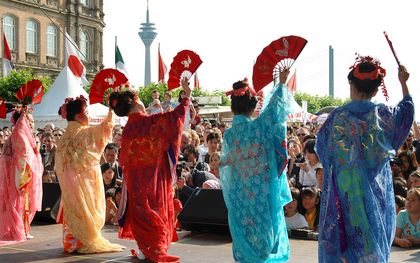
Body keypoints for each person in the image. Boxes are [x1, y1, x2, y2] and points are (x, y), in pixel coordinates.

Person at [316, 56, 415, 262]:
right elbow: (406, 113)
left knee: (343, 245)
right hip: (374, 191)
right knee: (371, 246)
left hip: (343, 192)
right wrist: (404, 83)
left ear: (351, 84)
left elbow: (322, 150)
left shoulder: (336, 117)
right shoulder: (383, 115)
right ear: (376, 89)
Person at [108, 78, 191, 262]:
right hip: (153, 178)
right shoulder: (147, 122)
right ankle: (155, 248)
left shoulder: (129, 128)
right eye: (138, 100)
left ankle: (146, 247)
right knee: (156, 209)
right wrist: (186, 96)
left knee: (141, 212)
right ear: (135, 103)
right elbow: (174, 119)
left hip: (136, 181)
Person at [220, 69, 292, 263]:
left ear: (233, 106)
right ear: (253, 106)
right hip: (261, 190)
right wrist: (282, 83)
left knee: (243, 232)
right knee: (264, 233)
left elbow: (226, 165)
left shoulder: (229, 135)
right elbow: (275, 109)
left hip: (238, 191)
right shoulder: (259, 128)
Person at [55, 95, 124, 253]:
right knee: (86, 209)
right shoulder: (84, 133)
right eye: (86, 112)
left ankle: (71, 242)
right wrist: (111, 110)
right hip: (84, 181)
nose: (89, 116)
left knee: (73, 210)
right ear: (79, 115)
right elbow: (105, 127)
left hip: (68, 182)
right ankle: (82, 241)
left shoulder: (64, 136)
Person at [0, 107, 43, 245]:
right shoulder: (20, 134)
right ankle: (19, 231)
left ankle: (21, 230)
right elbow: (22, 156)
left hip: (17, 172)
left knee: (17, 203)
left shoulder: (19, 133)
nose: (32, 124)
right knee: (19, 203)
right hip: (19, 173)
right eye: (29, 120)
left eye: (32, 121)